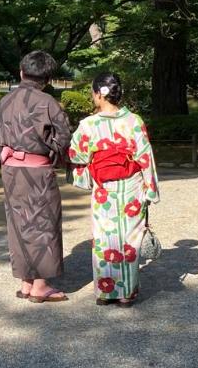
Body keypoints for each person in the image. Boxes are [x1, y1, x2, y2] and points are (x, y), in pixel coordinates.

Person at [68, 72, 160, 307]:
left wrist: (88, 164)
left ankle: (105, 292)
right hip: (132, 185)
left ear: (99, 94)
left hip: (104, 188)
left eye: (93, 92)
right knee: (130, 238)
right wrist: (150, 189)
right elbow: (144, 156)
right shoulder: (134, 121)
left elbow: (76, 153)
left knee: (104, 237)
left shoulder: (88, 124)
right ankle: (126, 293)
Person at [0, 51, 72, 304]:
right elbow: (64, 137)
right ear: (47, 78)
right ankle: (40, 285)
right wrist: (54, 155)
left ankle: (26, 281)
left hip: (11, 171)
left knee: (17, 222)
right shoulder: (47, 102)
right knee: (43, 222)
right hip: (38, 170)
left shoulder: (3, 102)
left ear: (21, 72)